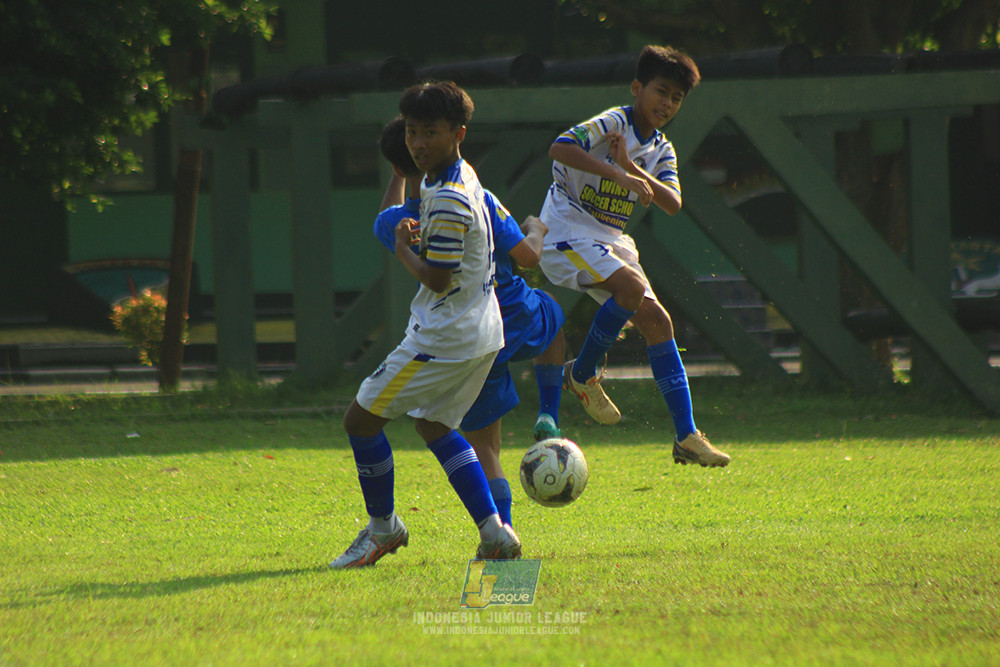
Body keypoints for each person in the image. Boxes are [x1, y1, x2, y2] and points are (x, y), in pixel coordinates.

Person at [329, 81, 521, 569]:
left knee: (360, 420)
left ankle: (383, 529)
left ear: (458, 133)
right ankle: (494, 533)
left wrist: (402, 248)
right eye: (412, 132)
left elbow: (437, 279)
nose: (418, 143)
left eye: (430, 132)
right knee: (434, 424)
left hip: (444, 337)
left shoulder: (449, 196)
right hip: (482, 330)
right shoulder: (456, 176)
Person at [537, 45, 731, 467]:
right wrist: (617, 171)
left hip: (608, 240)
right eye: (661, 91)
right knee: (629, 288)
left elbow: (672, 202)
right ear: (637, 88)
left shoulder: (661, 148)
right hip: (565, 233)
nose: (667, 103)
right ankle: (581, 374)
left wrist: (631, 167)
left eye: (677, 98)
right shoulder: (613, 122)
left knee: (658, 322)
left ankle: (686, 436)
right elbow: (560, 148)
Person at [373, 116, 567, 528]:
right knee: (552, 312)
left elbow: (386, 215)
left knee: (485, 446)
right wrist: (534, 228)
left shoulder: (397, 223)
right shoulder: (476, 197)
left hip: (466, 336)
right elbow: (528, 257)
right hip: (513, 311)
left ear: (398, 165)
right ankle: (550, 409)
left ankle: (503, 529)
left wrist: (398, 177)